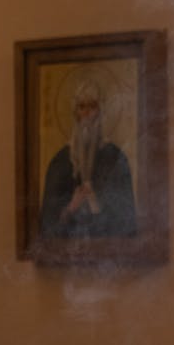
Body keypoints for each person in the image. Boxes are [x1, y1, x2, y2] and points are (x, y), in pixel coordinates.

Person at [39, 79, 137, 238]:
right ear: (75, 112)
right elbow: (48, 224)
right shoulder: (60, 160)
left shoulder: (114, 157)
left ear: (100, 111)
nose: (87, 113)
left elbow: (127, 219)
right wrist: (71, 206)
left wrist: (95, 202)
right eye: (82, 106)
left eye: (92, 106)